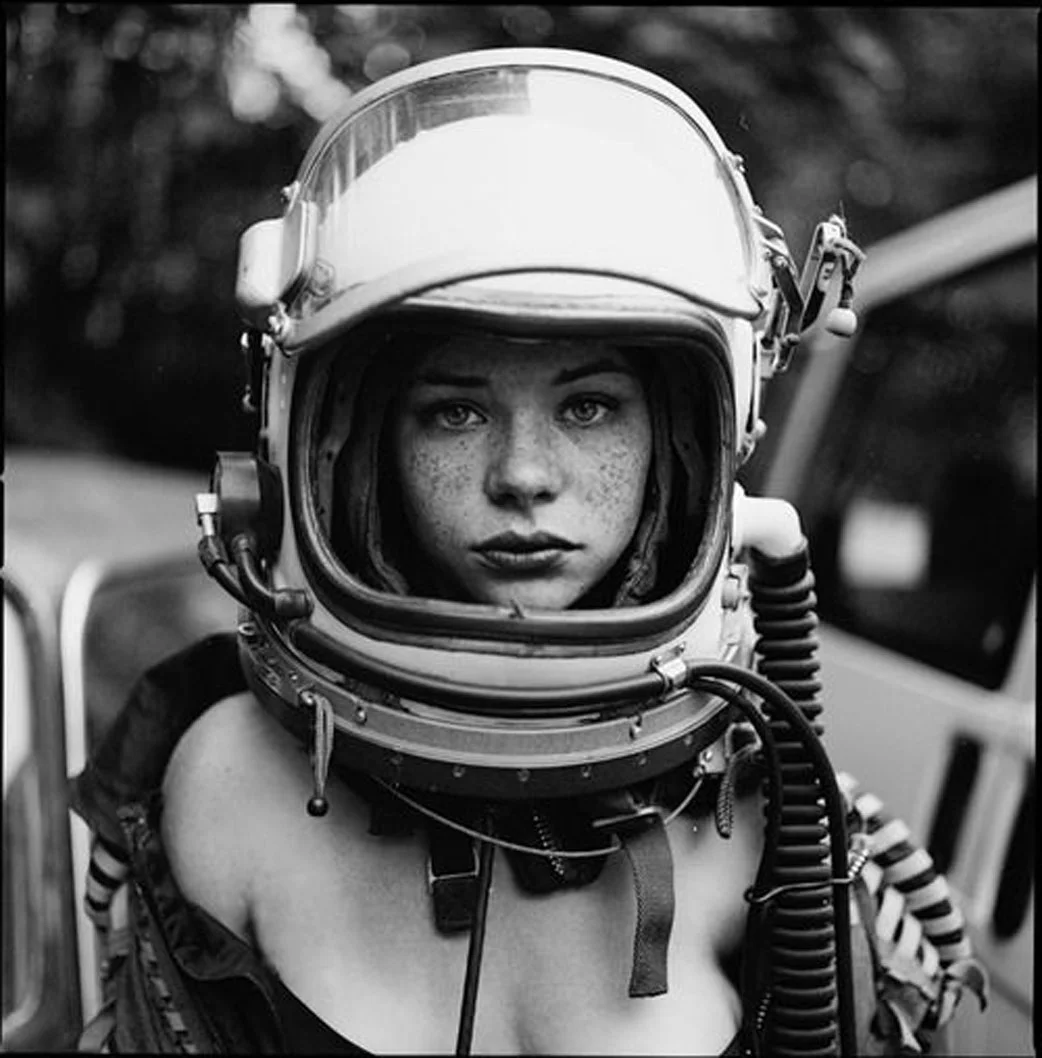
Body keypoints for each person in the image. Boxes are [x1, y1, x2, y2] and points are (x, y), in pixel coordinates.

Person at [70, 46, 987, 1055]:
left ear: (685, 444)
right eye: (455, 411)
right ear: (352, 451)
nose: (522, 475)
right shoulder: (225, 780)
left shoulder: (784, 821)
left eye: (588, 406)